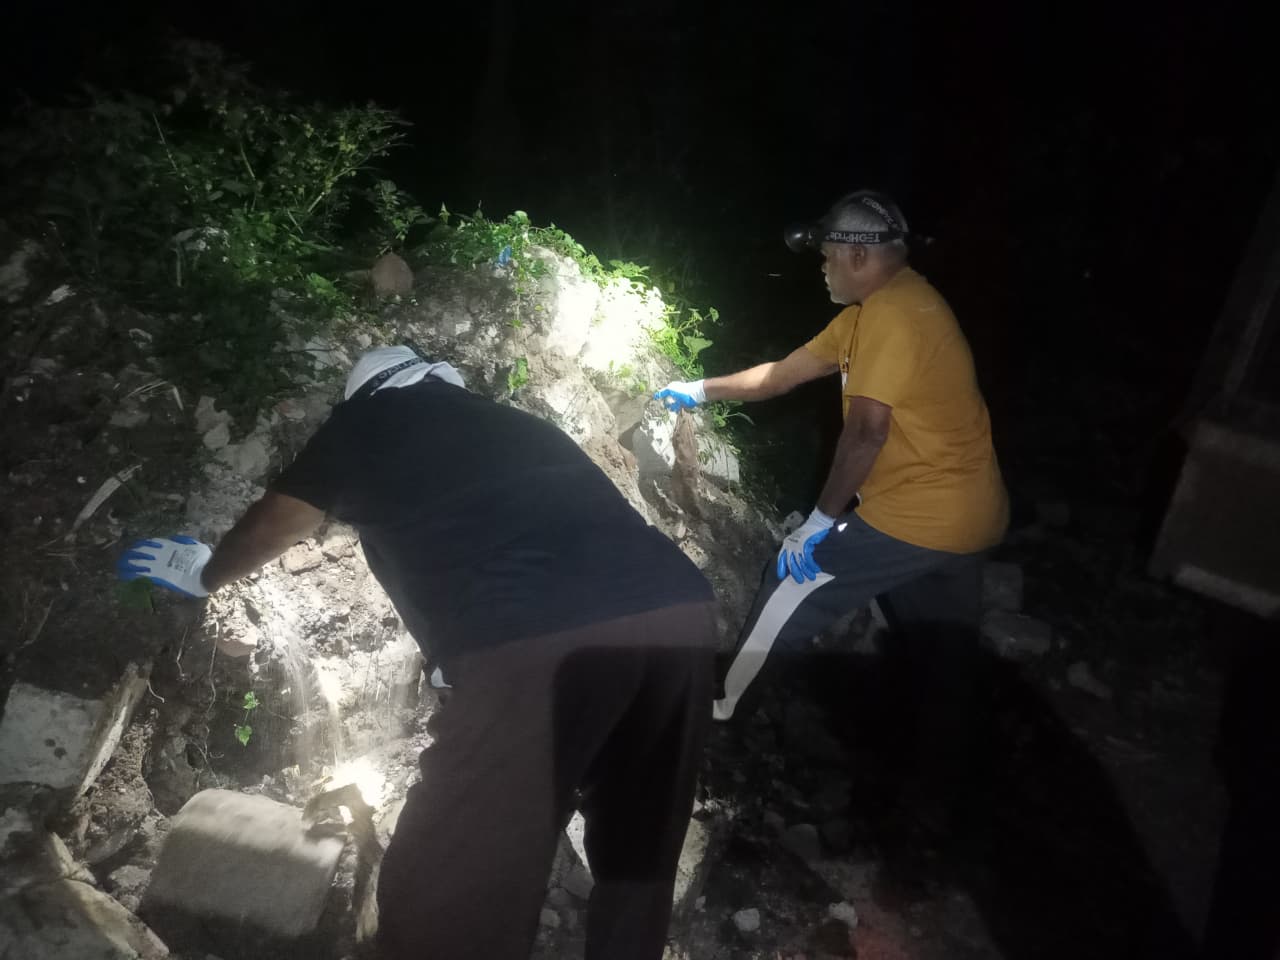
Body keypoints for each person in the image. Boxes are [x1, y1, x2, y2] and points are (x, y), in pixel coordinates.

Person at [119, 346, 717, 960]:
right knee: (641, 827)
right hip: (680, 613)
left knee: (453, 860)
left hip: (542, 635)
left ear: (369, 392)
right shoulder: (518, 425)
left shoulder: (370, 419)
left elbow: (279, 521)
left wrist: (205, 574)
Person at [655, 189, 1008, 826]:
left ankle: (722, 712)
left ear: (857, 255)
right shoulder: (877, 311)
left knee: (788, 583)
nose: (821, 268)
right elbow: (781, 375)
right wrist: (698, 390)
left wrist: (819, 522)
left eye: (825, 257)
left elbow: (867, 431)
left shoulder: (894, 316)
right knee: (942, 661)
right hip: (972, 517)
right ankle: (936, 798)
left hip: (918, 514)